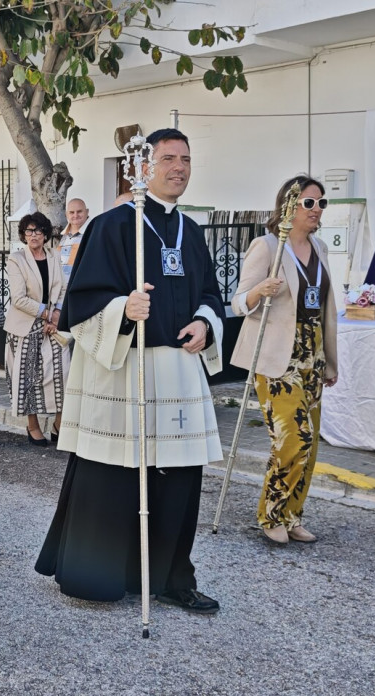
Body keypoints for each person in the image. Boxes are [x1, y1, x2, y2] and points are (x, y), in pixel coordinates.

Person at [36, 128, 224, 614]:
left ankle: (171, 577)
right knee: (114, 473)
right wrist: (124, 307)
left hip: (178, 369)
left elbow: (210, 293)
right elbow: (82, 304)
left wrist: (205, 323)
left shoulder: (191, 231)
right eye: (168, 158)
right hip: (125, 368)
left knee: (179, 476)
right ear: (143, 167)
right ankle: (99, 573)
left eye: (186, 159)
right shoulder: (112, 226)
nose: (178, 167)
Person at [231, 175, 340, 545]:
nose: (316, 209)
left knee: (310, 445)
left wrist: (330, 361)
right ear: (289, 206)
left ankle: (293, 516)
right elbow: (238, 301)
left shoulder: (320, 248)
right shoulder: (267, 247)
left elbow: (325, 309)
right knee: (294, 439)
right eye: (309, 202)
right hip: (278, 357)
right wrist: (259, 291)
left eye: (321, 203)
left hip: (313, 355)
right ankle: (271, 513)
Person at [5, 212, 67, 445]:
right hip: (25, 327)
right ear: (23, 234)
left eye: (38, 230)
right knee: (28, 378)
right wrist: (47, 313)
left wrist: (57, 313)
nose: (34, 235)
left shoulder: (54, 255)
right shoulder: (16, 259)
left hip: (53, 326)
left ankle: (58, 424)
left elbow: (62, 289)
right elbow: (18, 298)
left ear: (45, 234)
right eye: (29, 231)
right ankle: (32, 426)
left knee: (62, 373)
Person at [60, 198, 90, 283]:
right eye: (72, 212)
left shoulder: (93, 233)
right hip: (61, 288)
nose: (75, 215)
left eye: (79, 211)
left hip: (81, 287)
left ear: (87, 212)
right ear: (66, 214)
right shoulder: (62, 236)